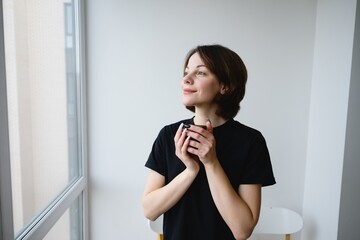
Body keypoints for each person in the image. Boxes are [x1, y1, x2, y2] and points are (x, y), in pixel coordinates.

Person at [142, 44, 276, 240]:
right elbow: (150, 210)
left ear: (225, 86)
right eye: (187, 72)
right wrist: (190, 171)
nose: (186, 79)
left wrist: (211, 163)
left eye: (201, 73)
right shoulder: (169, 135)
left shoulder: (251, 141)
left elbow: (243, 230)